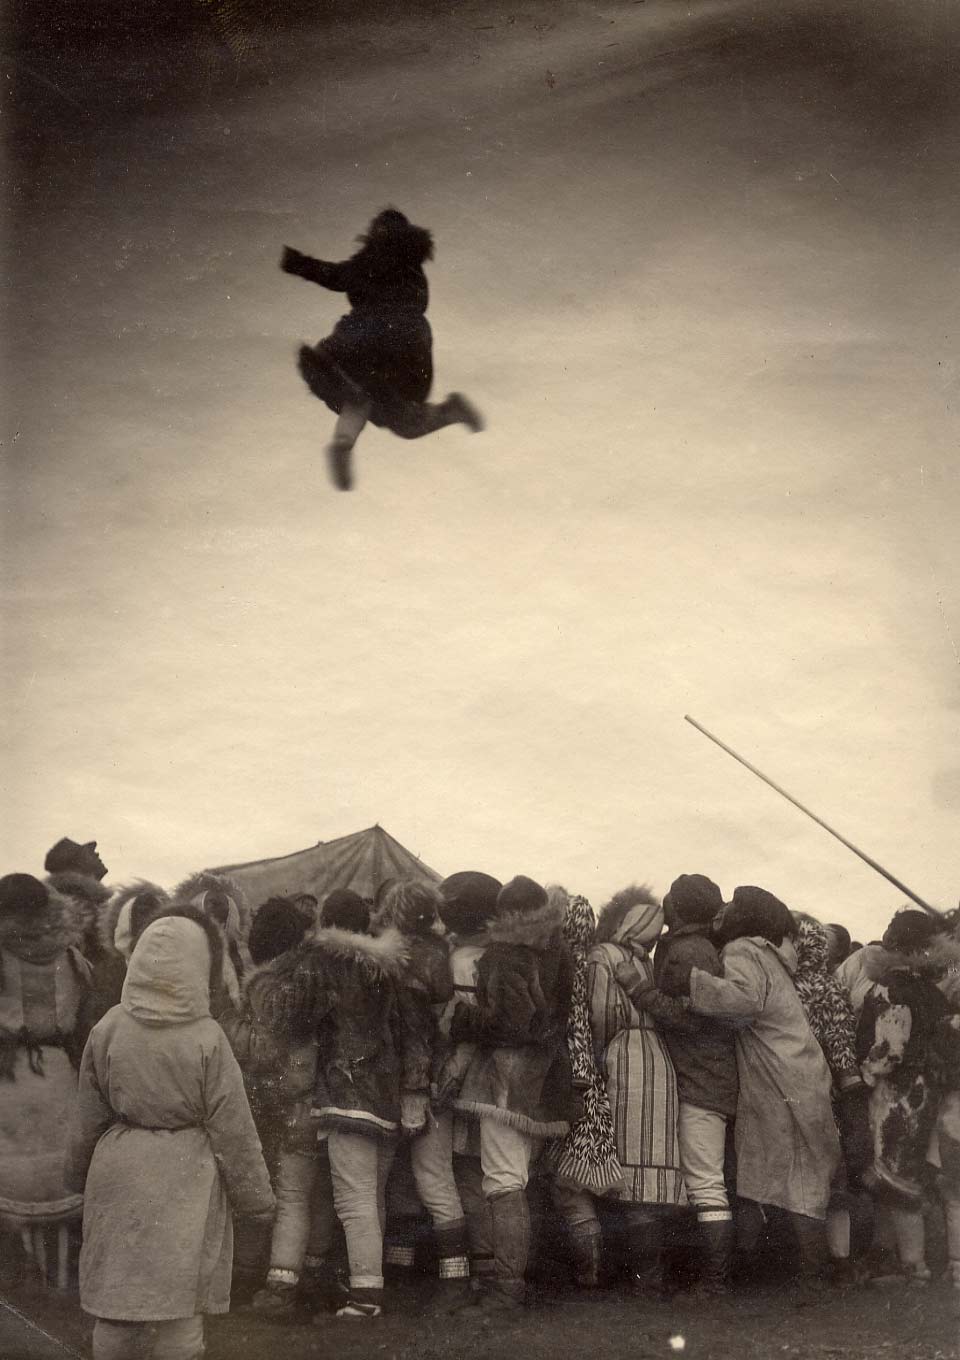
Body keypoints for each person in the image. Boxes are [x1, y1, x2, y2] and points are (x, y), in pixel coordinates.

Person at [65, 913, 274, 1360]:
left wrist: (74, 1175)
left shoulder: (109, 1027)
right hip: (186, 1174)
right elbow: (233, 1126)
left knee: (117, 1297)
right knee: (180, 1298)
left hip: (119, 1169)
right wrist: (256, 1198)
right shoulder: (207, 1037)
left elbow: (88, 1113)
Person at [259, 887, 411, 1319]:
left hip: (344, 1091)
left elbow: (292, 1016)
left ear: (326, 921)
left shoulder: (324, 962)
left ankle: (366, 1299)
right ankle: (366, 1289)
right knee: (370, 1197)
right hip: (385, 1094)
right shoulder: (387, 966)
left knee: (352, 1201)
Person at [687, 886, 841, 1290]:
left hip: (778, 1078)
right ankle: (801, 1272)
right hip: (798, 1073)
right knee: (793, 1174)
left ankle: (792, 1275)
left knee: (777, 1176)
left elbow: (743, 1001)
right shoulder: (773, 955)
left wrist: (691, 983)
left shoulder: (742, 950)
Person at [281, 208, 484, 491]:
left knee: (348, 387)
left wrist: (296, 263)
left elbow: (335, 277)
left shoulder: (373, 258)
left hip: (371, 332)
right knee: (403, 420)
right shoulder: (415, 268)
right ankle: (450, 412)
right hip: (413, 342)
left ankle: (343, 440)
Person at [446, 876, 574, 1315]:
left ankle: (507, 1289)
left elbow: (510, 1026)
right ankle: (522, 1278)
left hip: (505, 1078)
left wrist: (464, 1020)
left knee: (502, 1182)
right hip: (544, 1078)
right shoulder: (559, 948)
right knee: (522, 1178)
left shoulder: (503, 953)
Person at [613, 874, 737, 1296]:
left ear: (678, 907)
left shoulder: (688, 951)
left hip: (700, 1080)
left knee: (704, 1181)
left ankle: (715, 1283)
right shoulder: (694, 946)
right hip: (703, 1077)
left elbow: (690, 1017)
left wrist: (639, 990)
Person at [225, 895, 342, 1319]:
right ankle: (313, 1274)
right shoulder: (319, 979)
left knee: (288, 1193)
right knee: (318, 1193)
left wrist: (230, 1023)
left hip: (284, 1103)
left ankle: (280, 1284)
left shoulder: (267, 986)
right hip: (324, 1101)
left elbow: (262, 1050)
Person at [370, 880, 473, 1307]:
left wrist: (413, 1089)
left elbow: (412, 1031)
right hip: (440, 1074)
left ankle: (407, 1270)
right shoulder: (442, 952)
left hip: (409, 1081)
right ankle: (448, 1274)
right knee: (432, 1177)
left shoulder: (399, 955)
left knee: (408, 1179)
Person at [587, 885, 687, 1296]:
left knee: (630, 1174)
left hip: (625, 1060)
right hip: (658, 1061)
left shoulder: (603, 957)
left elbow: (600, 1015)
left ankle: (641, 1278)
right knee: (650, 1173)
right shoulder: (646, 963)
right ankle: (652, 1275)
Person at [856, 908, 954, 1287]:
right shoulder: (933, 993)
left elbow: (889, 1050)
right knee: (911, 1173)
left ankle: (914, 1267)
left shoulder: (888, 989)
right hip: (928, 1090)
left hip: (898, 1094)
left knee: (896, 1177)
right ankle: (908, 1261)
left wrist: (864, 1073)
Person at [0, 873, 92, 1261]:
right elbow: (85, 1019)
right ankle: (57, 1266)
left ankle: (17, 1265)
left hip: (8, 1072)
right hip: (58, 1072)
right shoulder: (72, 956)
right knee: (59, 1164)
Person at [544, 888, 624, 1290]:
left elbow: (574, 1028)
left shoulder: (565, 965)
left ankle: (586, 1273)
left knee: (567, 1181)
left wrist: (574, 1082)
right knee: (574, 1176)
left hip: (570, 1083)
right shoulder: (588, 964)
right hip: (588, 1080)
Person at [791, 914, 872, 1286]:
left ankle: (814, 1262)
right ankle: (836, 1261)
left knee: (810, 1174)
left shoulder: (788, 985)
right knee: (830, 1178)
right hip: (825, 1089)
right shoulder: (827, 986)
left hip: (799, 1087)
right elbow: (841, 1044)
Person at [44, 837, 118, 1019]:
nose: (96, 852)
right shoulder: (76, 903)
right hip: (87, 1011)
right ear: (74, 864)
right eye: (87, 851)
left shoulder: (84, 901)